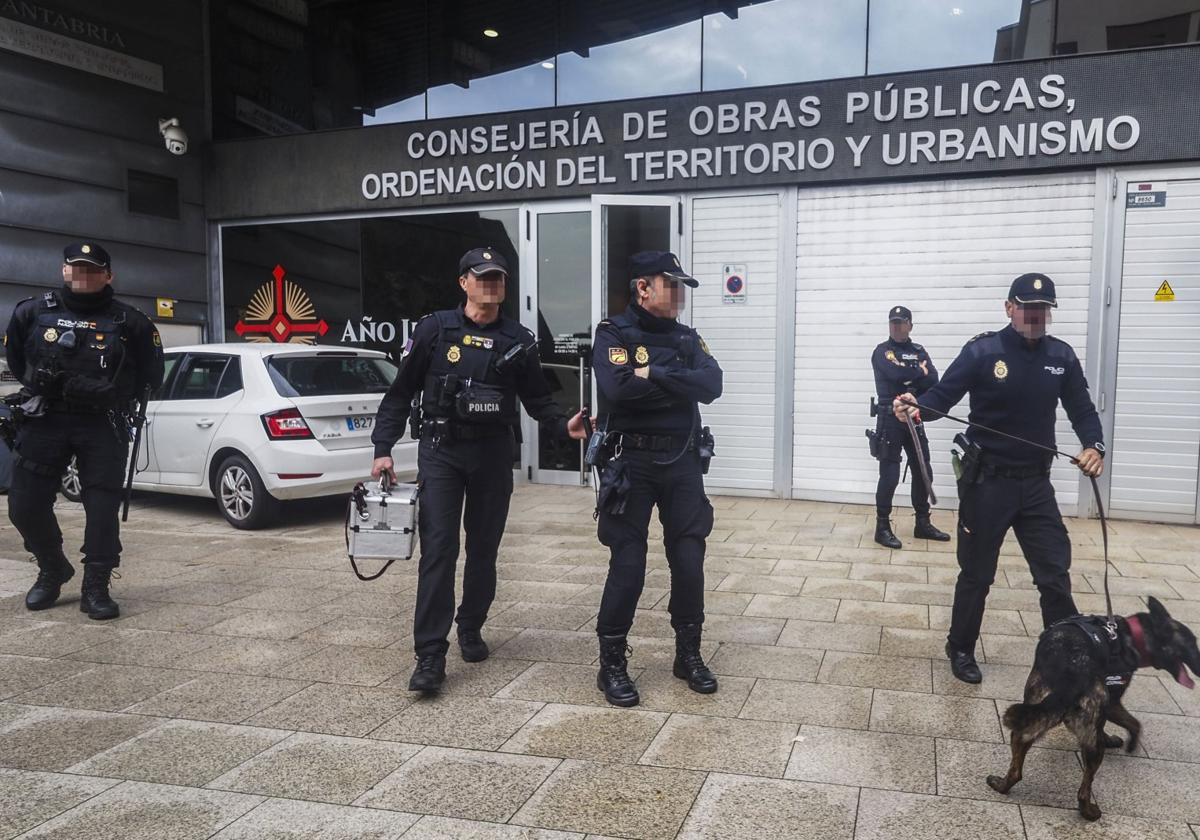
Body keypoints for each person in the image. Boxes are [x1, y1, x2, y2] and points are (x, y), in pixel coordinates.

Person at [371, 247, 588, 693]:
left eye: (500, 278)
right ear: (464, 282)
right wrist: (383, 447)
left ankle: (470, 626)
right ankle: (430, 655)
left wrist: (563, 426)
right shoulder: (434, 330)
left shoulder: (520, 340)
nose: (492, 284)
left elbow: (539, 400)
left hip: (492, 455)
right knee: (439, 551)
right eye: (483, 276)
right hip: (442, 451)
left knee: (484, 549)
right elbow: (400, 393)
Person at [894, 273, 1104, 684]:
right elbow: (941, 397)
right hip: (987, 484)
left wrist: (1094, 445)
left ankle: (1063, 661)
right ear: (1009, 308)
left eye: (1043, 309)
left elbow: (1082, 408)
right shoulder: (982, 351)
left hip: (1036, 486)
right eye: (1027, 307)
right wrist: (914, 405)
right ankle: (960, 647)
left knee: (1054, 575)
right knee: (977, 574)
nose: (1035, 316)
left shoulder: (1061, 356)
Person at [590, 251, 723, 707]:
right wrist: (672, 380)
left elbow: (713, 385)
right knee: (628, 564)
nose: (680, 294)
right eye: (672, 284)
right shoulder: (613, 333)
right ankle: (611, 663)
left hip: (683, 464)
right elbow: (619, 389)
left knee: (689, 560)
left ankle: (688, 654)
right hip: (633, 464)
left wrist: (654, 372)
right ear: (643, 287)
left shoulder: (688, 337)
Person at [5, 242, 164, 620]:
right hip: (45, 418)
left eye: (92, 269)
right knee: (24, 505)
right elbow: (18, 362)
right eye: (76, 267)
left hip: (102, 423)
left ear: (108, 276)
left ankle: (96, 586)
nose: (83, 275)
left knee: (102, 508)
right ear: (64, 271)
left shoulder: (132, 322)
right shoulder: (31, 312)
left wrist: (106, 392)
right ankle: (52, 566)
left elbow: (151, 378)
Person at [870, 305, 950, 548]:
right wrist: (918, 371)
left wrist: (909, 373)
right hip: (890, 419)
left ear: (910, 325)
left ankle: (922, 524)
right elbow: (893, 374)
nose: (896, 326)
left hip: (914, 418)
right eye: (893, 322)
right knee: (890, 475)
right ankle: (882, 527)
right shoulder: (882, 351)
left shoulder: (918, 350)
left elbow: (933, 379)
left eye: (901, 322)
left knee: (924, 470)